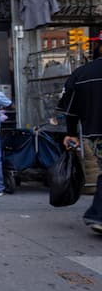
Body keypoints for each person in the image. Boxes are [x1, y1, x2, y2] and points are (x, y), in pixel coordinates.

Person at [58, 39, 102, 235]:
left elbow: (70, 109)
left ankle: (98, 214)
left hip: (96, 134)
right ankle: (97, 215)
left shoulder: (81, 73)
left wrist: (71, 133)